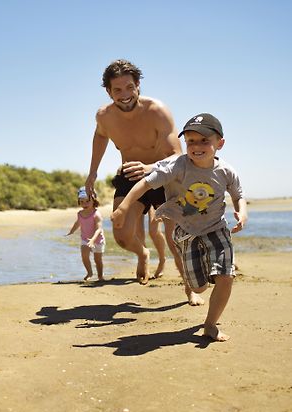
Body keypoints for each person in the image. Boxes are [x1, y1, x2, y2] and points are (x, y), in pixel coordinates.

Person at [111, 113, 248, 341]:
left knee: (226, 275)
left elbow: (238, 195)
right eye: (191, 141)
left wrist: (242, 213)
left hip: (216, 228)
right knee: (200, 287)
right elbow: (145, 183)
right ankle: (200, 280)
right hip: (186, 232)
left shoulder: (226, 171)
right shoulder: (178, 165)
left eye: (205, 140)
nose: (197, 146)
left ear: (219, 143)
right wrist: (124, 207)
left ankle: (210, 325)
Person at [85, 59, 202, 305]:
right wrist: (92, 173)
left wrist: (150, 167)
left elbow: (178, 155)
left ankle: (189, 289)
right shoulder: (104, 116)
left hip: (163, 176)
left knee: (173, 238)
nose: (124, 95)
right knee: (121, 234)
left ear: (138, 85)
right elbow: (100, 136)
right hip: (130, 175)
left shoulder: (157, 111)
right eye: (117, 90)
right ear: (108, 91)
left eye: (129, 87)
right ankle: (142, 253)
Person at [66, 187, 105, 281]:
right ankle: (89, 272)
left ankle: (100, 276)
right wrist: (72, 231)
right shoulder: (80, 213)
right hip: (85, 239)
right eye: (82, 201)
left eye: (87, 201)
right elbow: (78, 223)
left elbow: (99, 229)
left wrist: (92, 240)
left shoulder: (96, 214)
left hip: (97, 240)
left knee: (98, 260)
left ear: (94, 200)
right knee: (84, 255)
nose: (84, 204)